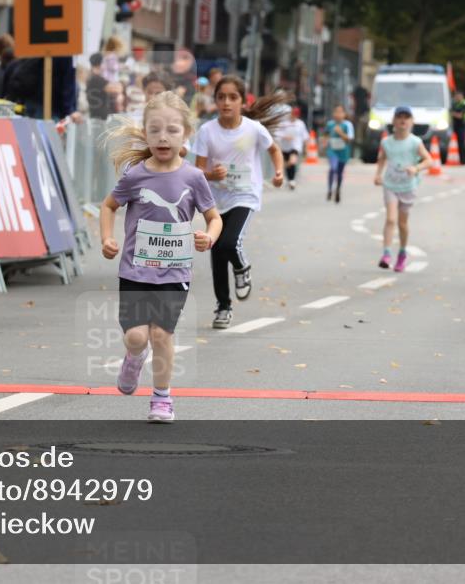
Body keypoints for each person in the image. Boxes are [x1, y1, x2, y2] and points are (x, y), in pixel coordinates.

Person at [100, 91, 222, 422]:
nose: (163, 137)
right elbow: (109, 205)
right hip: (135, 271)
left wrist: (208, 237)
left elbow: (214, 217)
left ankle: (162, 398)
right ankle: (133, 358)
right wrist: (107, 238)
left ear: (186, 134)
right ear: (145, 134)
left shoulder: (193, 178)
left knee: (161, 334)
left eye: (171, 130)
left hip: (174, 273)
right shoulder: (136, 175)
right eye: (154, 130)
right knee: (137, 336)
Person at [193, 75, 287, 329]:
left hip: (245, 194)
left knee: (229, 242)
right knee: (216, 251)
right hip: (216, 199)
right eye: (221, 97)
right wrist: (211, 175)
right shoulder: (207, 131)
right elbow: (197, 170)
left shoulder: (253, 129)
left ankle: (242, 267)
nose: (226, 102)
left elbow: (274, 150)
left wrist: (279, 172)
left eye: (233, 97)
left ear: (242, 102)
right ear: (215, 101)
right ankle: (223, 307)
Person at [373, 106, 432, 272]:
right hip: (390, 185)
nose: (403, 120)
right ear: (393, 121)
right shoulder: (386, 142)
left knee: (402, 223)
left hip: (408, 186)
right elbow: (382, 158)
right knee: (391, 219)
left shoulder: (415, 142)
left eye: (407, 117)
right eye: (399, 117)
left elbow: (429, 160)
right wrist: (378, 174)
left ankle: (402, 253)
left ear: (412, 122)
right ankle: (386, 254)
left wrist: (416, 168)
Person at [276, 105, 310, 190]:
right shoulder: (284, 123)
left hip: (295, 146)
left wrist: (306, 148)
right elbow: (277, 134)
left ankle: (292, 179)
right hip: (285, 147)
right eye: (293, 114)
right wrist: (284, 137)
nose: (294, 116)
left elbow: (305, 136)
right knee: (287, 164)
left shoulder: (300, 124)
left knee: (292, 161)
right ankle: (290, 180)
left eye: (296, 114)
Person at [325, 104, 354, 203]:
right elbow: (325, 135)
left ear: (344, 114)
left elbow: (349, 139)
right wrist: (324, 141)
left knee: (340, 172)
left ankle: (338, 188)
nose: (338, 114)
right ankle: (330, 189)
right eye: (336, 112)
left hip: (343, 151)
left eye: (340, 112)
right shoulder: (330, 124)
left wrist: (340, 133)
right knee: (333, 168)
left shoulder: (347, 125)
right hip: (332, 150)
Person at [86, 52, 116, 120]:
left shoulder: (92, 78)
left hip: (98, 117)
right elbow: (114, 89)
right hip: (100, 119)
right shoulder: (96, 79)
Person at [451, 90, 465, 163]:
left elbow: (460, 116)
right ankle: (458, 159)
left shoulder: (464, 104)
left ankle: (463, 160)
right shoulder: (456, 103)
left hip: (463, 125)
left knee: (461, 143)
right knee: (456, 143)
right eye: (456, 96)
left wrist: (452, 113)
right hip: (456, 125)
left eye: (458, 96)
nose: (456, 98)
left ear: (462, 96)